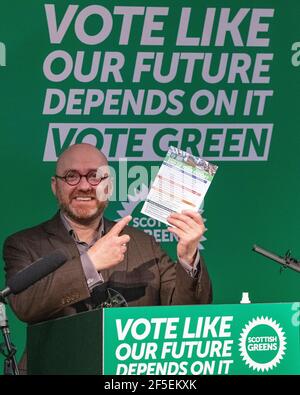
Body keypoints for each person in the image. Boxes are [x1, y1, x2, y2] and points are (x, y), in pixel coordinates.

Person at [3, 143, 212, 373]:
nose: (84, 186)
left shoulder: (144, 243)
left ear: (109, 186)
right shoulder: (24, 244)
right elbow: (25, 304)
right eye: (71, 176)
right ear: (55, 186)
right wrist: (89, 263)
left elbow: (187, 316)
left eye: (95, 176)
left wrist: (187, 257)